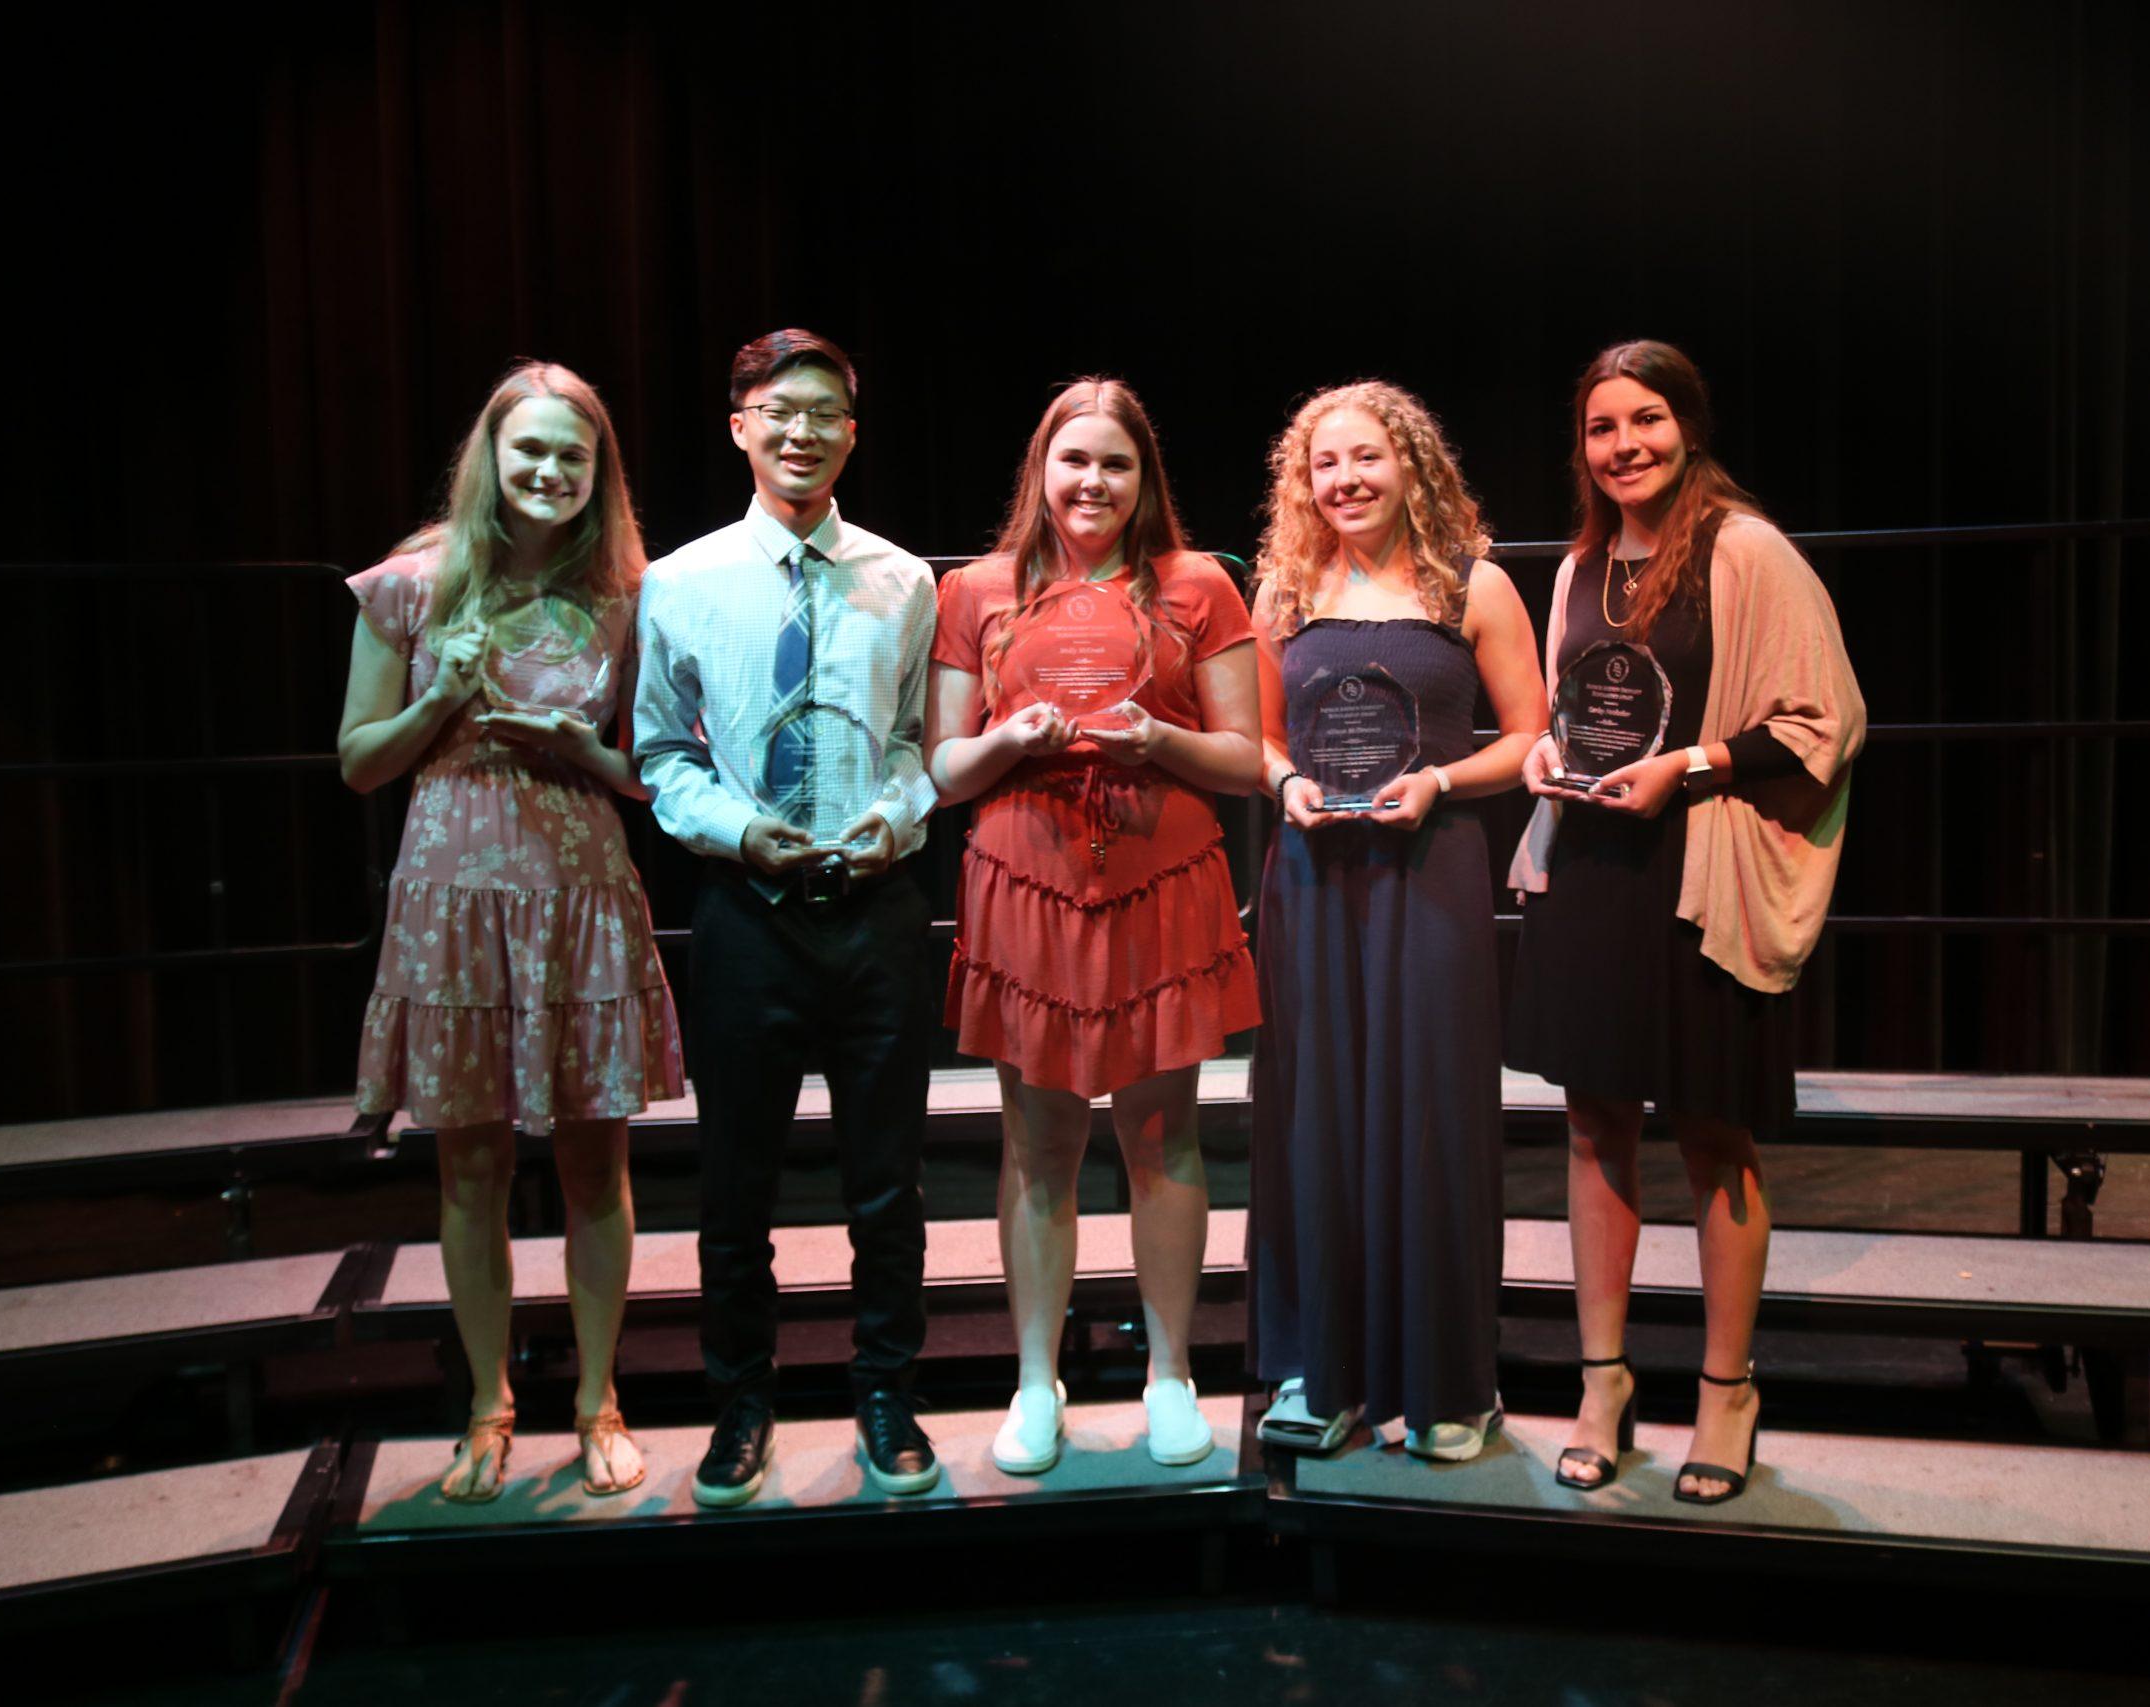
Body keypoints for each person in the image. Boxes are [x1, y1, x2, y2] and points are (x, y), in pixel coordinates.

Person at [1506, 340, 1864, 1504]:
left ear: (1689, 427)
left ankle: (1726, 1393)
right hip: (1596, 867)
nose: (1625, 446)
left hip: (1696, 876)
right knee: (1594, 1127)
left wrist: (1693, 767)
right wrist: (1556, 753)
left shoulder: (1745, 551)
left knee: (1714, 1136)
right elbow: (1568, 709)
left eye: (1646, 420)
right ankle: (1601, 1382)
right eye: (1603, 428)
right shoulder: (1578, 569)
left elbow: (1823, 721)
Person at [338, 360, 684, 1503]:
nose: (548, 472)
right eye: (528, 450)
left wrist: (582, 752)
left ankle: (598, 1402)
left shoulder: (629, 597)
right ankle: (487, 1407)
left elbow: (660, 776)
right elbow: (356, 762)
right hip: (453, 899)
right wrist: (443, 702)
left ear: (599, 475)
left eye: (571, 457)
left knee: (595, 1163)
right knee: (471, 1166)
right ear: (490, 457)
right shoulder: (410, 587)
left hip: (579, 891)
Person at [925, 378, 1261, 1474]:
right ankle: (1036, 1378)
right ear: (1040, 470)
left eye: (1116, 464)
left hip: (1160, 880)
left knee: (1164, 1138)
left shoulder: (1200, 585)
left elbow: (1247, 758)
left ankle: (1172, 1374)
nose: (1093, 483)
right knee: (1039, 1146)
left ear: (1143, 479)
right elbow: (942, 768)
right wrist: (1013, 738)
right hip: (1025, 881)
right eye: (1074, 461)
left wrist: (1154, 742)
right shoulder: (972, 590)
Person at [636, 329, 941, 1507]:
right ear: (739, 427)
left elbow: (915, 742)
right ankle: (741, 1405)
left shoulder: (903, 578)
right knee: (736, 1184)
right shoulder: (680, 580)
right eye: (779, 411)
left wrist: (896, 820)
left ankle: (885, 1398)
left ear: (851, 434)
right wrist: (737, 831)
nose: (800, 432)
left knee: (886, 1182)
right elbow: (661, 751)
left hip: (874, 908)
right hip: (746, 913)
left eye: (823, 413)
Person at [1245, 381, 1547, 1462]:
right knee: (1315, 1112)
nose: (1347, 480)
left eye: (1366, 457)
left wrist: (1441, 785)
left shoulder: (1475, 586)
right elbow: (1258, 739)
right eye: (1325, 463)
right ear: (1304, 478)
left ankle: (1449, 1386)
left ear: (1411, 464)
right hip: (1313, 878)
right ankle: (1322, 1375)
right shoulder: (1281, 591)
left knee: (1433, 1113)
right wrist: (1284, 789)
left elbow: (1530, 739)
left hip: (1431, 867)